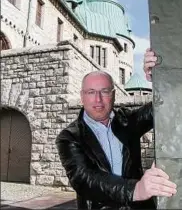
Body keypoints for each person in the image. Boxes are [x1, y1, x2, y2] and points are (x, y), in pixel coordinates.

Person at [56, 48, 177, 210]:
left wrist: (159, 77)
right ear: (82, 96)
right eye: (91, 92)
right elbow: (84, 179)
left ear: (113, 94)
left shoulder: (127, 121)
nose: (98, 100)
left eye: (104, 92)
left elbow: (164, 106)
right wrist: (136, 190)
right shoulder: (69, 137)